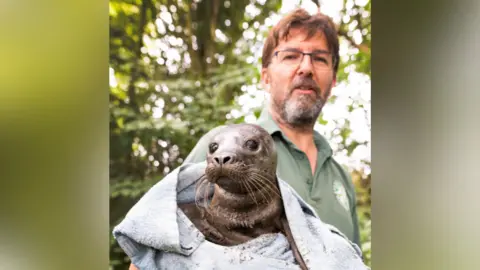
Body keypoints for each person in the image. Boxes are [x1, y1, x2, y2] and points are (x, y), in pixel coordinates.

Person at [184, 8, 361, 247]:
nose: (306, 68)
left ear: (334, 81)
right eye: (290, 56)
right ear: (265, 77)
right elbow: (153, 251)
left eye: (319, 58)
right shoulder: (219, 146)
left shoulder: (341, 177)